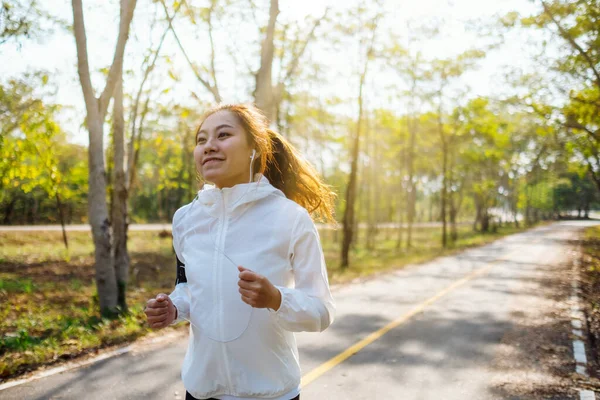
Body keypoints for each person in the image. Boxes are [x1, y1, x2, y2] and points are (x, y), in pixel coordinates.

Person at [144, 103, 337, 400]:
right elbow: (186, 287)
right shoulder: (186, 219)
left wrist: (276, 298)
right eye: (201, 140)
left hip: (271, 394)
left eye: (223, 135)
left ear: (254, 149)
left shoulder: (290, 217)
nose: (209, 146)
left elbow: (321, 312)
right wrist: (173, 307)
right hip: (200, 391)